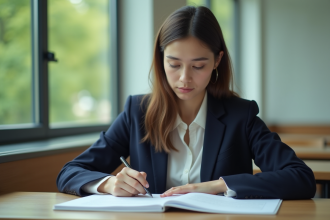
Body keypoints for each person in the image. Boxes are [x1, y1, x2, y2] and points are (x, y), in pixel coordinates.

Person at [56, 6, 316, 199]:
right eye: (174, 64)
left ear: (217, 61)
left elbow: (301, 178)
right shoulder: (138, 112)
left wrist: (220, 185)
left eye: (198, 66)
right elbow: (70, 172)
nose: (184, 78)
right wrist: (109, 184)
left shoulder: (241, 115)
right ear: (161, 60)